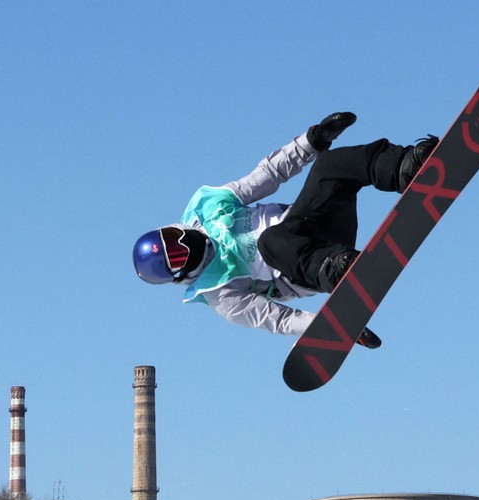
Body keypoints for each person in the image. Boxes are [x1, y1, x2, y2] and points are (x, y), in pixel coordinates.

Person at [132, 112, 438, 349]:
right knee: (270, 241)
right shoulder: (217, 292)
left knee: (329, 166)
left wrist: (312, 141)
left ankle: (407, 167)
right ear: (180, 275)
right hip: (309, 269)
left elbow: (266, 175)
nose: (185, 243)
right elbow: (274, 318)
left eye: (175, 238)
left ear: (174, 227)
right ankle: (337, 268)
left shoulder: (208, 207)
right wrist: (335, 328)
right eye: (177, 255)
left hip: (312, 223)